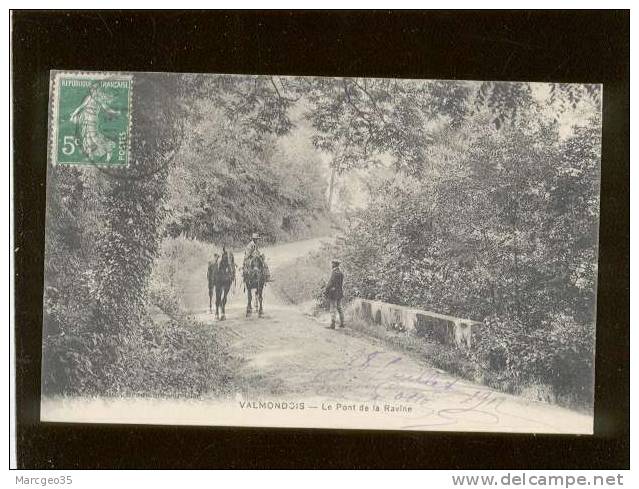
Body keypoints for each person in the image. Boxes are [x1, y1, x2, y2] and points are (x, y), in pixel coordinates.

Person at [325, 259, 345, 329]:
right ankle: (342, 323)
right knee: (340, 308)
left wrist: (326, 290)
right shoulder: (341, 273)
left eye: (332, 264)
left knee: (333, 308)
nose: (331, 265)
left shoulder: (334, 272)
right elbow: (340, 284)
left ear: (334, 264)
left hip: (333, 292)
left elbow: (330, 283)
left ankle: (332, 324)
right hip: (340, 292)